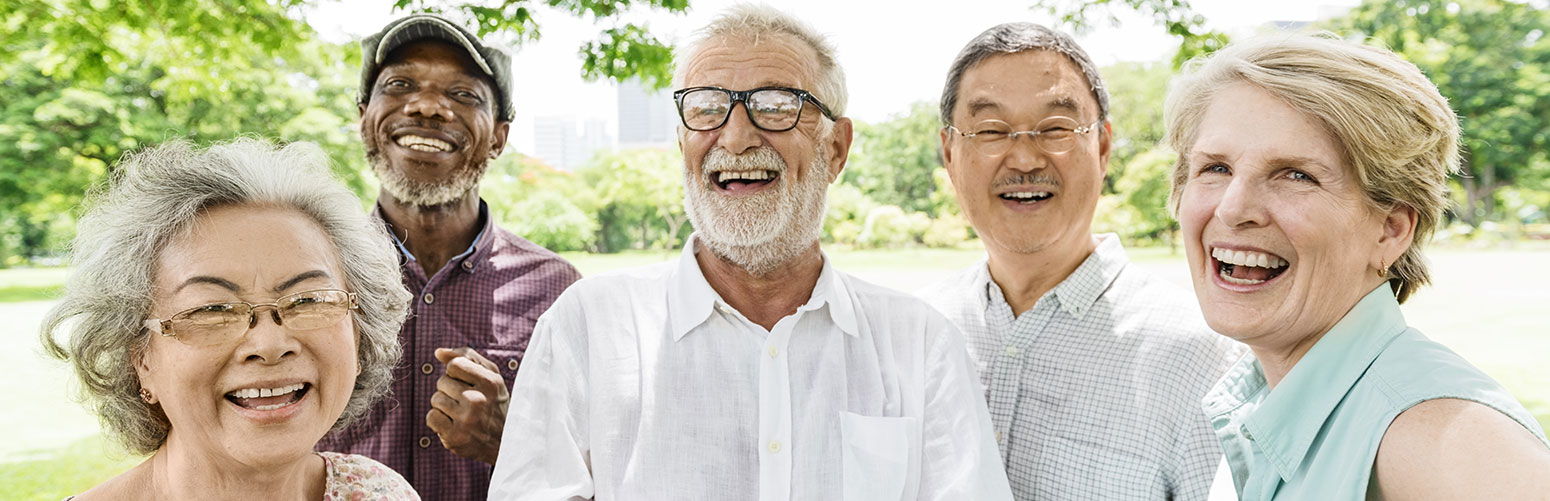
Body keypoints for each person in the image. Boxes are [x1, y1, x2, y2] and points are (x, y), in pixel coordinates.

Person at [488, 5, 1012, 500]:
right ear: (682, 144)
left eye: (777, 106)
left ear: (837, 148)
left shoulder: (919, 345)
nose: (735, 138)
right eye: (708, 108)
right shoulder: (588, 328)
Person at [1165, 34, 1550, 499]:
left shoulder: (1438, 434)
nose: (1232, 208)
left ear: (1390, 229)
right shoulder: (1260, 403)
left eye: (1296, 174)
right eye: (1216, 168)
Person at [917, 22, 1245, 500]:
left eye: (1055, 129)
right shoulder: (921, 330)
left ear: (1104, 147)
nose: (1025, 159)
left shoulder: (1198, 355)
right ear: (950, 152)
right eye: (991, 130)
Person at [40, 139, 417, 500]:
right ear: (140, 358)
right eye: (212, 310)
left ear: (358, 331)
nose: (269, 345)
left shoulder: (378, 491)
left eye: (307, 300)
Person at [316, 13, 582, 499]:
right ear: (362, 116)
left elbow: (598, 464)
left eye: (463, 95)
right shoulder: (307, 273)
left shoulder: (560, 291)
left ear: (499, 136)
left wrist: (514, 440)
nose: (426, 107)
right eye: (399, 84)